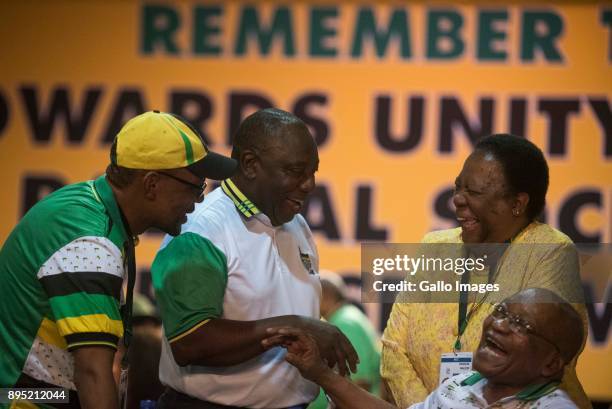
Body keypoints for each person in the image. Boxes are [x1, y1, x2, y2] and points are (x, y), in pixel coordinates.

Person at [0, 110, 237, 409]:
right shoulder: (89, 242)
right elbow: (93, 373)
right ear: (152, 184)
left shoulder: (90, 209)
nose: (200, 199)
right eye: (194, 187)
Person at [151, 108, 358, 409]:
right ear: (250, 165)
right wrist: (293, 326)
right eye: (296, 171)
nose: (309, 184)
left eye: (313, 172)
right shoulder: (202, 231)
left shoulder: (296, 225)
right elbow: (190, 341)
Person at [380, 134, 590, 409]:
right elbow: (394, 348)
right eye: (458, 188)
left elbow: (544, 354)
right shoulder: (436, 246)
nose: (457, 199)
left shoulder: (550, 250)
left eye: (475, 193)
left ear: (517, 203)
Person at [266, 288, 584, 409]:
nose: (499, 325)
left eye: (521, 325)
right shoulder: (461, 386)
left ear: (551, 364)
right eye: (501, 311)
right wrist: (320, 373)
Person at [309, 271, 381, 409]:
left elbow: (360, 381)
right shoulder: (346, 317)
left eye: (312, 296)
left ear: (325, 296)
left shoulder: (345, 322)